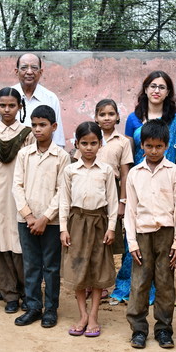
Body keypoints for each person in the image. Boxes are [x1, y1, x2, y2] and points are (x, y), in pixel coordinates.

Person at [113, 71, 176, 305]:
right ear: (145, 89)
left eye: (162, 87)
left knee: (163, 241)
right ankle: (129, 285)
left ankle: (161, 290)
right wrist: (124, 197)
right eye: (153, 86)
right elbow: (128, 156)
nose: (156, 91)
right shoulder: (134, 119)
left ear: (168, 92)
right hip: (140, 181)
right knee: (135, 235)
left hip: (167, 183)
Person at [124, 119, 176, 350]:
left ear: (167, 146)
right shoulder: (134, 173)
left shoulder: (173, 172)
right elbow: (130, 210)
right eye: (149, 146)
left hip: (167, 235)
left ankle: (163, 329)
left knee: (165, 283)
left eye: (159, 146)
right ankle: (138, 329)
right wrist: (131, 243)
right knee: (139, 282)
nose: (154, 151)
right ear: (142, 145)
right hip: (142, 235)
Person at [12, 105, 70, 328]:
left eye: (42, 125)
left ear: (54, 127)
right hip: (26, 221)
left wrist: (45, 218)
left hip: (51, 223)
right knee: (31, 265)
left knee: (51, 267)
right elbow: (17, 186)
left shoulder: (62, 156)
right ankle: (34, 307)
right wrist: (28, 216)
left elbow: (62, 191)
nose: (37, 129)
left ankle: (51, 309)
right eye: (34, 125)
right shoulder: (24, 154)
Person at [60, 122, 118, 338]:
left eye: (93, 143)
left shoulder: (106, 170)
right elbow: (64, 201)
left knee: (97, 269)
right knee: (78, 268)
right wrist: (63, 228)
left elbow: (112, 201)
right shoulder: (70, 170)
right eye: (84, 143)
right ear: (77, 144)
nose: (89, 147)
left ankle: (93, 315)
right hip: (76, 222)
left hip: (99, 223)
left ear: (100, 144)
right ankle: (82, 315)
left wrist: (111, 228)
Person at [74, 99, 134, 299]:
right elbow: (76, 167)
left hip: (111, 192)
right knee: (86, 240)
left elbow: (124, 173)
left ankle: (101, 283)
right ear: (96, 117)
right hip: (87, 191)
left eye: (111, 114)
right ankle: (87, 282)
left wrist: (122, 202)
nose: (107, 118)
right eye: (102, 114)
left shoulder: (123, 142)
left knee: (104, 241)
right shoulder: (89, 137)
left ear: (117, 117)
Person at [0, 87, 34, 314]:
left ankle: (27, 291)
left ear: (20, 107)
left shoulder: (27, 133)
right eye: (2, 105)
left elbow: (30, 168)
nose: (7, 110)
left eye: (12, 105)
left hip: (22, 194)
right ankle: (9, 294)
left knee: (22, 244)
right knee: (2, 243)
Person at [0, 53, 66, 148]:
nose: (29, 72)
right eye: (24, 68)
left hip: (42, 155)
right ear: (16, 71)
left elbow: (57, 138)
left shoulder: (50, 98)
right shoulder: (4, 97)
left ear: (41, 72)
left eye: (34, 68)